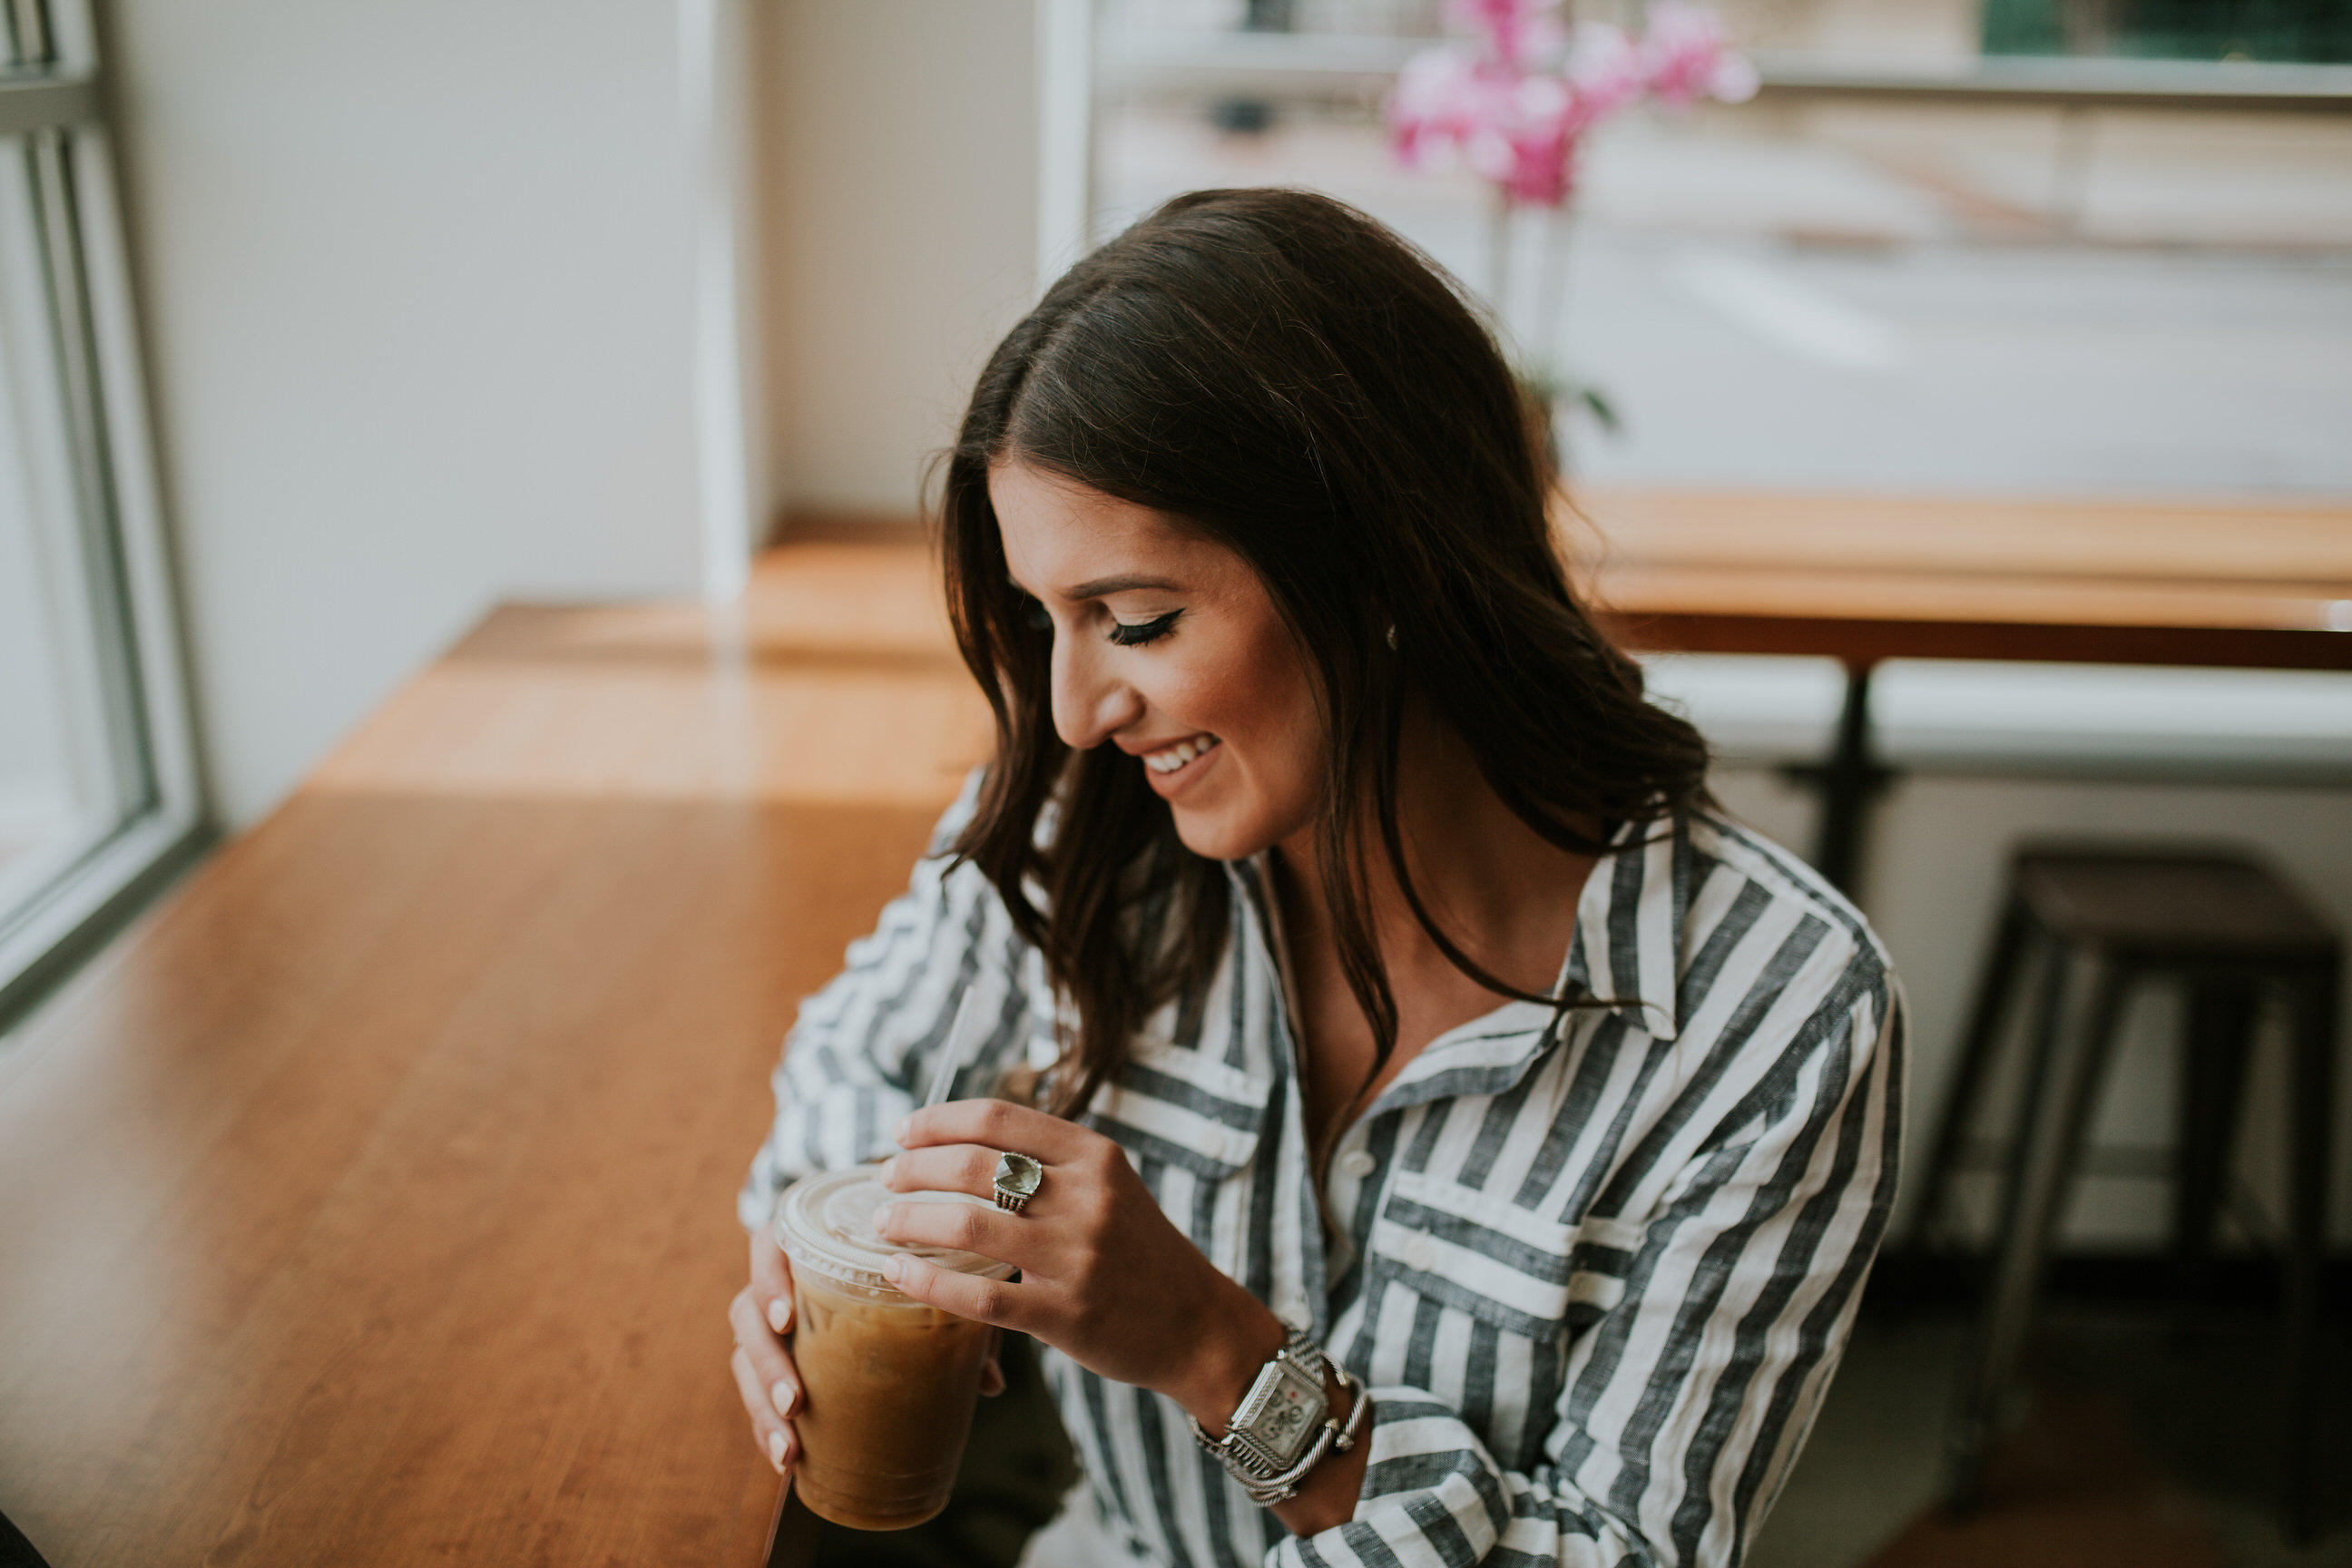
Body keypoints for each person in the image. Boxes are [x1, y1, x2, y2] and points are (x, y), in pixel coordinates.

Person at [729, 188, 1905, 1568]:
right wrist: (831, 1251)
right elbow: (853, 1068)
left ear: (1378, 563)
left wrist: (1212, 1348)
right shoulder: (1087, 837)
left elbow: (1622, 1553)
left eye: (1137, 621)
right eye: (1048, 624)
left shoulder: (1775, 1015)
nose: (1074, 711)